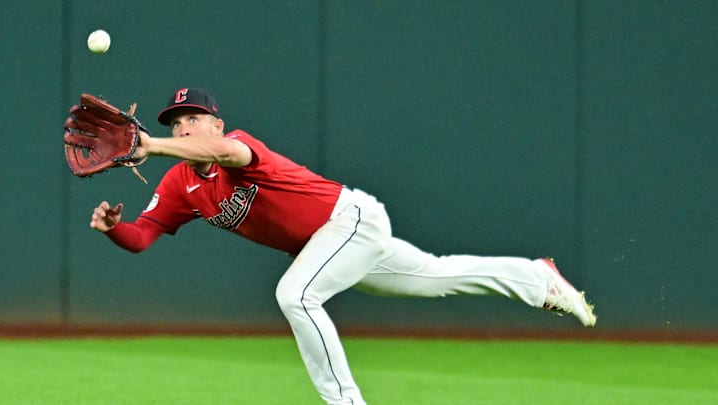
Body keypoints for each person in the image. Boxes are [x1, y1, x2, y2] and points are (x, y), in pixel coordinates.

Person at [89, 87, 596, 405]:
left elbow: (221, 151)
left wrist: (150, 146)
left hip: (349, 220)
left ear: (216, 123)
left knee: (295, 296)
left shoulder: (237, 145)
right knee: (436, 277)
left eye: (193, 119)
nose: (184, 127)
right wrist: (114, 227)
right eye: (175, 124)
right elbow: (141, 238)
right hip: (330, 243)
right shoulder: (180, 184)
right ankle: (536, 277)